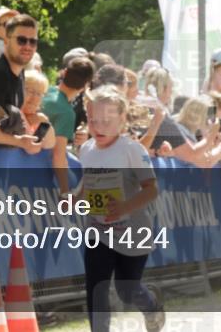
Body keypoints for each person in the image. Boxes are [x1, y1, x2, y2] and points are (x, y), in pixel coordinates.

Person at [76, 84, 165, 332]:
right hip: (98, 230)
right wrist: (73, 196)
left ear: (122, 119)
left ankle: (151, 305)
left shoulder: (132, 150)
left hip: (132, 231)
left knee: (127, 290)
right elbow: (87, 183)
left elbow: (151, 189)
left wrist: (125, 206)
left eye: (107, 120)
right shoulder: (86, 149)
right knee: (97, 288)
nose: (99, 127)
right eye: (93, 120)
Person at [42, 56, 95, 194]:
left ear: (64, 73)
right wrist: (65, 191)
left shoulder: (44, 90)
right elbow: (58, 155)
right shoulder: (66, 112)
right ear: (85, 86)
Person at [20, 70, 56, 150]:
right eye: (30, 91)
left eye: (39, 94)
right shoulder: (6, 107)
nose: (35, 98)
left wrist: (44, 122)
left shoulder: (37, 119)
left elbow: (48, 144)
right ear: (18, 90)